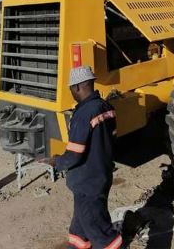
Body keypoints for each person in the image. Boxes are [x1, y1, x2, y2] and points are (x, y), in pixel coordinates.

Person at [45, 66, 123, 249]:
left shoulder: (83, 114)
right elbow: (113, 141)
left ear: (77, 87)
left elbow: (74, 154)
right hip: (101, 176)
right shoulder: (107, 107)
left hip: (87, 183)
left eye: (71, 89)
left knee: (102, 234)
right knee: (79, 229)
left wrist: (57, 162)